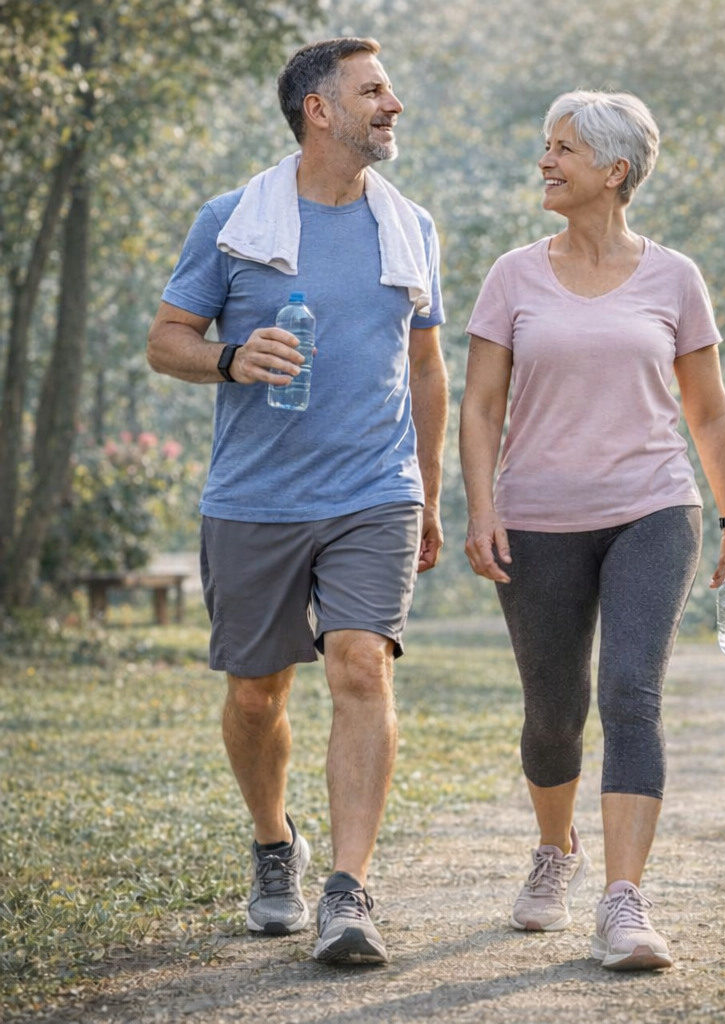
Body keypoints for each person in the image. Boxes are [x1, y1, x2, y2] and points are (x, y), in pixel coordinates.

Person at [145, 37, 448, 966]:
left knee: (361, 664)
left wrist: (430, 496)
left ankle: (348, 893)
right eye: (374, 90)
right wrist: (231, 358)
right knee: (255, 692)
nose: (393, 104)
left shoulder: (411, 226)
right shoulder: (234, 220)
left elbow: (429, 369)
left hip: (374, 489)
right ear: (320, 109)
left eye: (389, 89)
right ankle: (275, 844)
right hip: (256, 494)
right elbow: (166, 341)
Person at [459, 90, 725, 971]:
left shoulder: (675, 278)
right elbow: (481, 408)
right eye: (545, 147)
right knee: (554, 712)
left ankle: (624, 901)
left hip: (652, 508)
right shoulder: (513, 274)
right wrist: (481, 508)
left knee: (631, 693)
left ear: (614, 171)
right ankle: (555, 853)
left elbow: (708, 415)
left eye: (561, 150)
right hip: (538, 515)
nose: (545, 163)